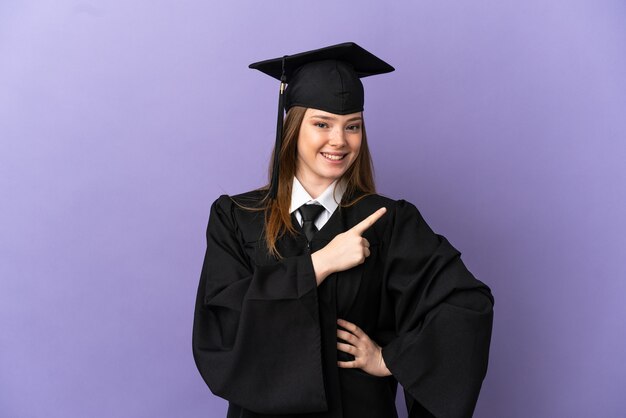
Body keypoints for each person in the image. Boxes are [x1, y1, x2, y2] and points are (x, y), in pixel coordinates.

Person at [192, 42, 494, 418]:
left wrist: (391, 359)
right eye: (322, 124)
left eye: (353, 126)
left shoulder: (388, 220)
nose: (339, 140)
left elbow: (465, 304)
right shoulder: (236, 217)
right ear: (292, 127)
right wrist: (319, 264)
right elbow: (223, 321)